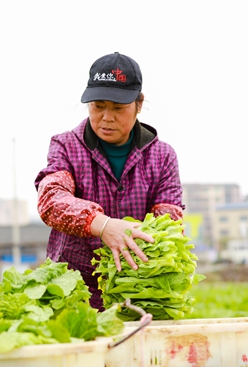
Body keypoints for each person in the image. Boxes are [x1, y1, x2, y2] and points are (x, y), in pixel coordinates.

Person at [34, 52, 184, 311]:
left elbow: (168, 222)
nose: (107, 117)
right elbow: (52, 199)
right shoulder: (66, 146)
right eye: (98, 106)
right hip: (74, 296)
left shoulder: (162, 156)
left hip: (136, 297)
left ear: (139, 103)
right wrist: (103, 226)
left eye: (118, 108)